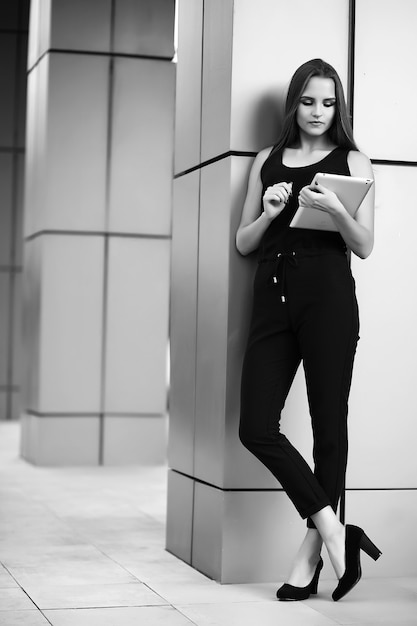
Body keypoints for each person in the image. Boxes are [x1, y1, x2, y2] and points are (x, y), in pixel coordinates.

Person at [236, 59, 381, 602]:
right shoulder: (266, 160)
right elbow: (244, 243)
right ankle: (336, 529)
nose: (317, 112)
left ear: (337, 107)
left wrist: (335, 211)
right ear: (293, 103)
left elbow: (364, 245)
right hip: (272, 302)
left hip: (328, 302)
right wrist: (272, 211)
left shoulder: (353, 159)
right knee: (255, 426)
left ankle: (309, 559)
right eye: (307, 101)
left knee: (329, 430)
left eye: (327, 103)